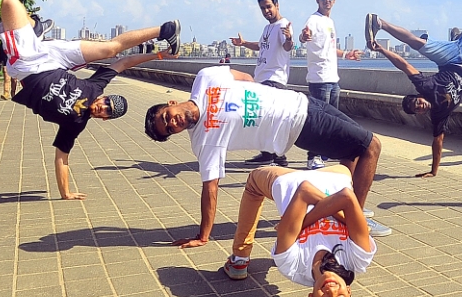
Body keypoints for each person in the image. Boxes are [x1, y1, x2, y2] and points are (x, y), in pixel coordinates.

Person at [143, 65, 391, 248]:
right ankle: (355, 221)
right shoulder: (204, 141)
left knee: (351, 152)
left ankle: (339, 211)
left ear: (171, 103)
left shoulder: (205, 77)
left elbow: (246, 78)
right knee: (371, 146)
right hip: (300, 126)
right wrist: (203, 236)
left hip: (302, 101)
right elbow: (210, 188)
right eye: (169, 129)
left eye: (167, 116)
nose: (173, 123)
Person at [0, 0, 181, 200]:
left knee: (9, 1)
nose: (104, 107)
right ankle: (166, 29)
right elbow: (124, 62)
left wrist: (65, 193)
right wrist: (158, 55)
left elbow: (62, 158)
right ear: (104, 97)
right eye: (107, 102)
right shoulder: (95, 87)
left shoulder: (75, 123)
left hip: (28, 65)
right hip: (57, 62)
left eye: (108, 111)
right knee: (110, 49)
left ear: (104, 118)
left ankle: (34, 28)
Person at [220, 162, 377, 297]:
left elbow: (304, 190)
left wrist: (338, 209)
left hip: (290, 181)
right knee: (346, 168)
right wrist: (300, 222)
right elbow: (347, 196)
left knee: (253, 183)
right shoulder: (358, 259)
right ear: (349, 291)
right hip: (335, 176)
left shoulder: (292, 267)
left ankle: (239, 258)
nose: (331, 291)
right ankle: (239, 259)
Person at [365, 8, 462, 178]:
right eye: (418, 110)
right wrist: (433, 171)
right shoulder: (438, 115)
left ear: (419, 96)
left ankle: (379, 23)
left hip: (450, 59)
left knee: (417, 42)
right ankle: (458, 38)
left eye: (417, 103)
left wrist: (382, 50)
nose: (420, 106)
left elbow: (404, 65)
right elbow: (438, 142)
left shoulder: (426, 86)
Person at [300, 0, 361, 169]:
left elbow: (330, 48)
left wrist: (346, 54)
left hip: (333, 79)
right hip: (319, 79)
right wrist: (303, 37)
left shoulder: (330, 22)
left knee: (333, 120)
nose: (327, 0)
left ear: (334, 0)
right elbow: (304, 37)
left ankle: (327, 152)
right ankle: (313, 157)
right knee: (318, 120)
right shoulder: (313, 20)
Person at [231, 0, 295, 166]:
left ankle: (276, 155)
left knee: (267, 118)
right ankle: (272, 154)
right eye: (262, 8)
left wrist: (290, 39)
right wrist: (243, 43)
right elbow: (261, 46)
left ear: (277, 5)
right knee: (264, 118)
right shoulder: (268, 28)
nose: (266, 11)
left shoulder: (283, 25)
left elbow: (287, 46)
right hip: (262, 78)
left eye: (268, 7)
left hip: (274, 79)